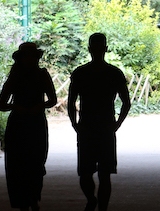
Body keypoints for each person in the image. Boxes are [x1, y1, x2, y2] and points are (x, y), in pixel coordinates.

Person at [68, 33, 131, 211]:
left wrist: (75, 124)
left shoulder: (80, 73)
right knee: (105, 173)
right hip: (106, 126)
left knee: (86, 172)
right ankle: (101, 207)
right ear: (106, 49)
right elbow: (126, 102)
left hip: (87, 126)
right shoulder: (114, 73)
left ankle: (91, 200)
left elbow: (72, 101)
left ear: (89, 50)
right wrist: (117, 124)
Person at [0, 42, 58, 211]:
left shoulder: (41, 75)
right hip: (22, 124)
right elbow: (1, 104)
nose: (30, 59)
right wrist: (18, 107)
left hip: (31, 122)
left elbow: (53, 100)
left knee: (36, 161)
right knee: (19, 163)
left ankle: (32, 197)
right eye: (27, 56)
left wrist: (38, 106)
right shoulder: (15, 77)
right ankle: (24, 200)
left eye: (32, 56)